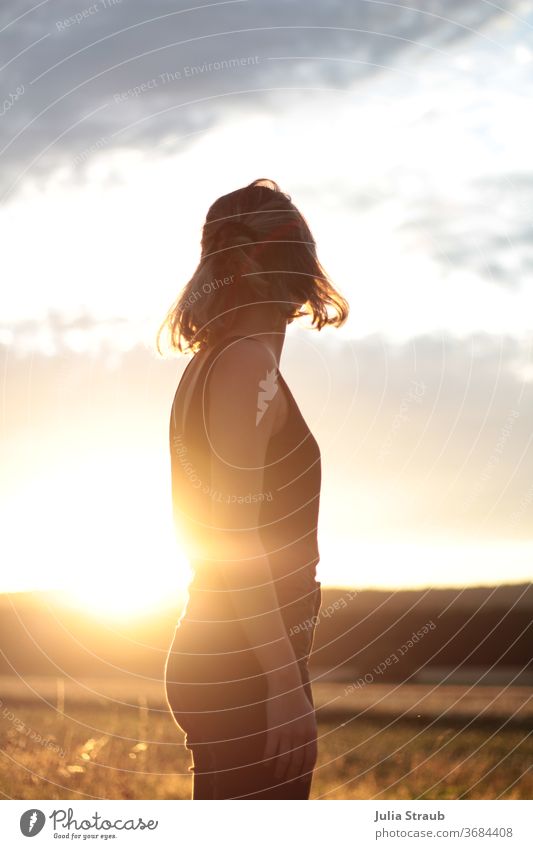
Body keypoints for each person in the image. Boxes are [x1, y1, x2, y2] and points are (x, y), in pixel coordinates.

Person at [158, 178, 349, 799]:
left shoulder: (222, 361)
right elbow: (229, 534)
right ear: (298, 263)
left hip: (237, 655)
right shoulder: (245, 366)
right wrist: (283, 684)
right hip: (241, 664)